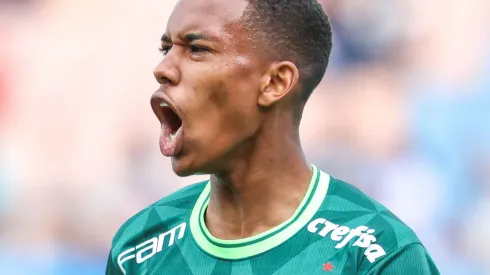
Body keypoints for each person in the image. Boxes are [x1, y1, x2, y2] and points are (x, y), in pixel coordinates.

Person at [106, 0, 440, 274]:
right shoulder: (137, 247)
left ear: (275, 83)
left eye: (197, 49)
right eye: (165, 48)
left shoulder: (379, 255)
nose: (163, 68)